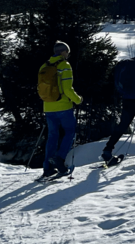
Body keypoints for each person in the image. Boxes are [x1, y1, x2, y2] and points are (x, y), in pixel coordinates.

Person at [41, 41, 82, 178]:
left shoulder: (44, 65)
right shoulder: (64, 65)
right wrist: (78, 100)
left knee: (52, 136)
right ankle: (60, 158)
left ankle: (47, 167)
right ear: (64, 52)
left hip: (48, 106)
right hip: (63, 106)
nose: (68, 55)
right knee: (69, 132)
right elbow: (67, 89)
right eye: (67, 52)